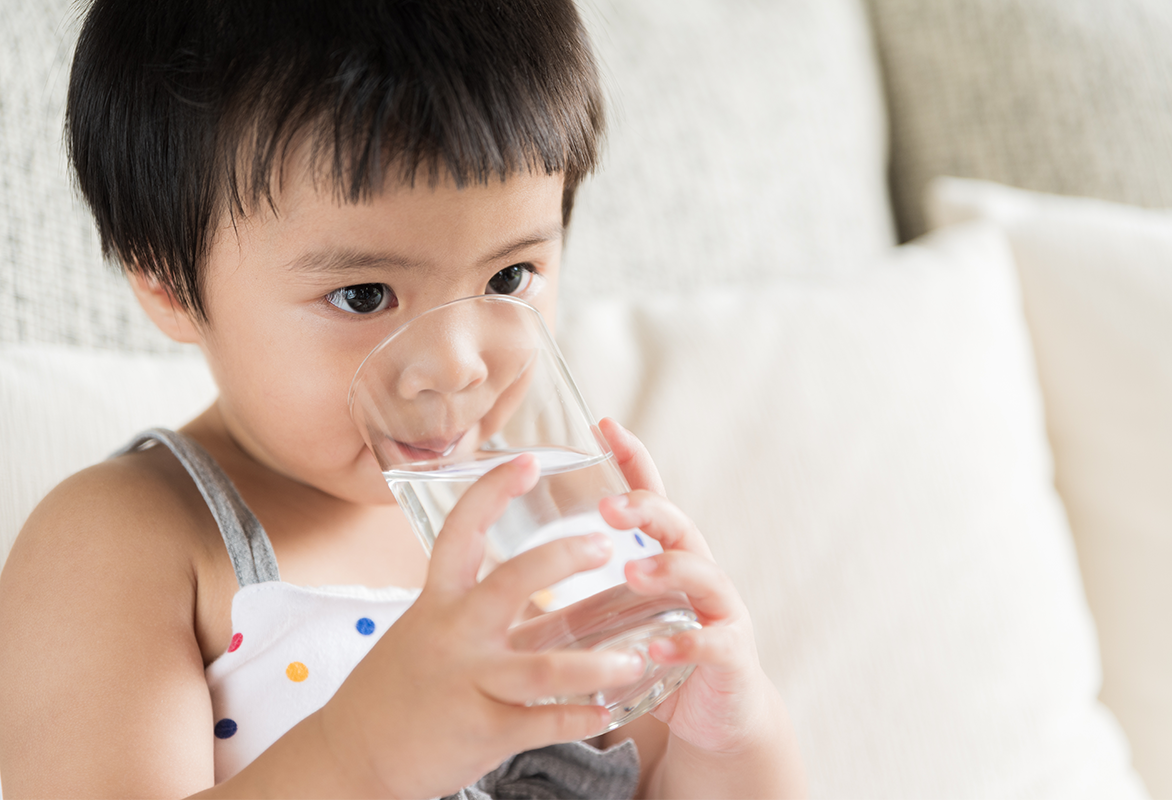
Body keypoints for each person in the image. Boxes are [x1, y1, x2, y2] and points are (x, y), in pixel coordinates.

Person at [0, 0, 805, 796]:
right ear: (169, 284)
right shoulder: (125, 544)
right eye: (363, 296)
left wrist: (730, 737)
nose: (456, 368)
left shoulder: (533, 526)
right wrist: (366, 755)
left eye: (508, 278)